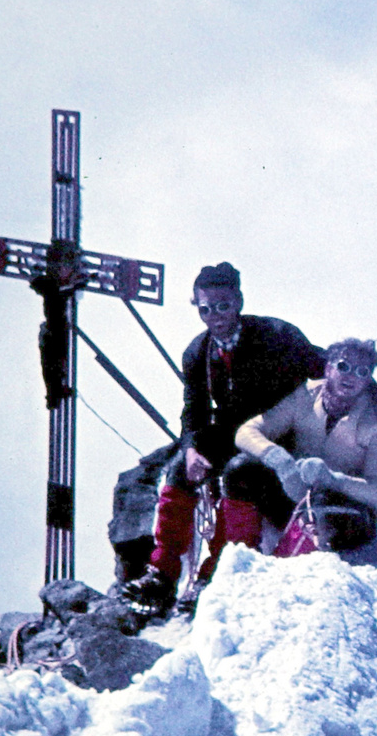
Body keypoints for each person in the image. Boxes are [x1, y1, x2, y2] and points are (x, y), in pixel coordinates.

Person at [121, 262, 324, 614]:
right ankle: (163, 573)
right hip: (230, 432)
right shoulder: (198, 354)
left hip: (280, 437)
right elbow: (194, 412)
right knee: (180, 473)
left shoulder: (277, 336)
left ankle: (219, 571)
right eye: (205, 309)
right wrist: (190, 450)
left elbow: (326, 368)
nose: (215, 316)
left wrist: (375, 397)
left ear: (239, 301)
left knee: (237, 473)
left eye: (223, 305)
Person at [236, 338, 377, 553]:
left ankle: (285, 566)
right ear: (328, 368)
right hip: (296, 492)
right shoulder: (305, 396)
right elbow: (246, 431)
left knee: (322, 511)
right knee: (239, 470)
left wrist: (333, 480)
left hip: (348, 510)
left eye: (362, 372)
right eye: (344, 366)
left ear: (369, 379)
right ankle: (241, 552)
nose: (351, 376)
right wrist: (278, 459)